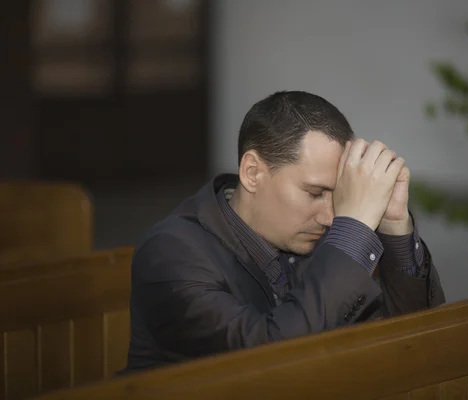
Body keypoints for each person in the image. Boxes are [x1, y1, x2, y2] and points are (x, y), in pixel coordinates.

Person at [123, 90, 445, 373]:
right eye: (315, 193)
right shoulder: (170, 255)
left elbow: (413, 346)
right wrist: (355, 229)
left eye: (339, 195)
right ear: (252, 173)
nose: (332, 217)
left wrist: (393, 226)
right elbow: (271, 359)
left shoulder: (320, 239)